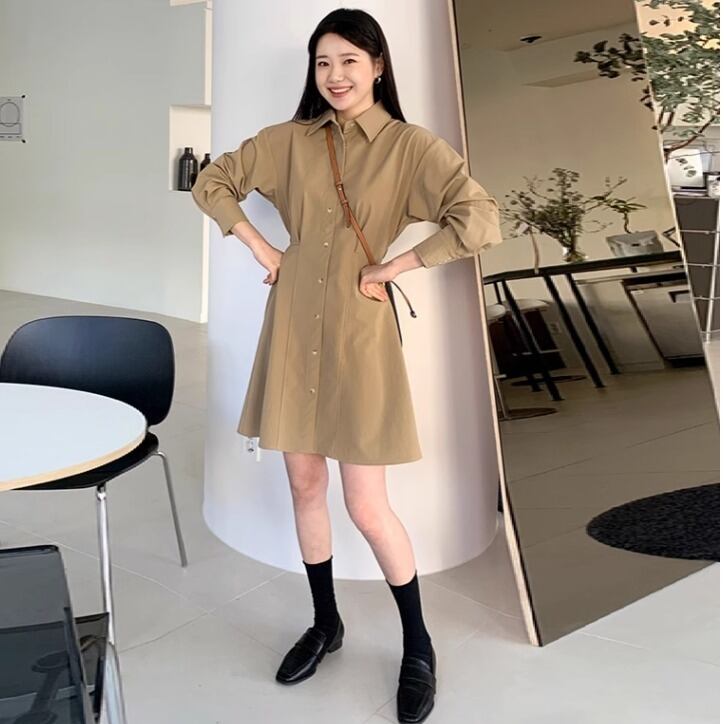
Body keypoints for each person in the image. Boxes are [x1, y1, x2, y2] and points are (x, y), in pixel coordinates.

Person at [191, 8, 502, 723]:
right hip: (293, 322)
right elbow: (214, 181)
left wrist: (396, 265)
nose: (335, 75)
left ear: (378, 66)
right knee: (305, 484)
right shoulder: (288, 141)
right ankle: (325, 622)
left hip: (360, 336)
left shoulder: (410, 148)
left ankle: (418, 644)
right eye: (324, 62)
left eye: (349, 61)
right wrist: (262, 247)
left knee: (367, 504)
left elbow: (480, 217)